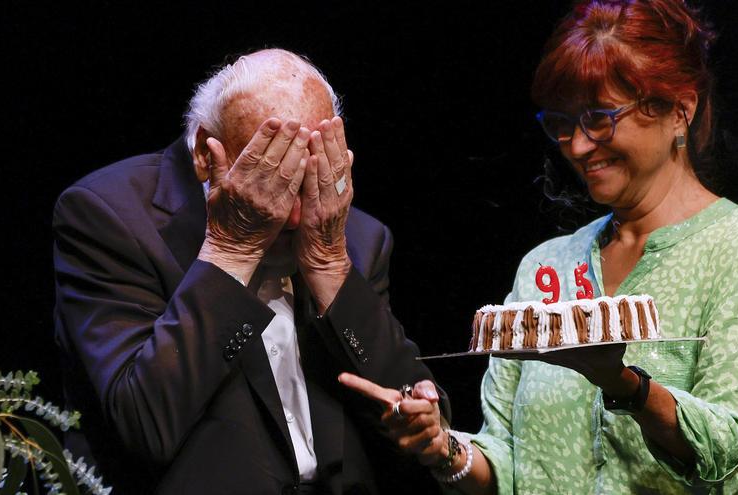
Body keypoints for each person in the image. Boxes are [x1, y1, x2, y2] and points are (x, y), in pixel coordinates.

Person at [340, 1, 738, 493]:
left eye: (599, 119)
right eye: (561, 123)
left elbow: (735, 459)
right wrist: (443, 447)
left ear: (679, 110)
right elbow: (511, 462)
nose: (578, 146)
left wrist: (626, 385)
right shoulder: (546, 266)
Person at [53, 48, 449, 494]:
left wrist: (330, 266)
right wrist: (231, 250)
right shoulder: (110, 216)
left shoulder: (357, 236)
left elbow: (419, 422)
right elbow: (145, 425)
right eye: (272, 176)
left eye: (308, 177)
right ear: (205, 152)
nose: (295, 215)